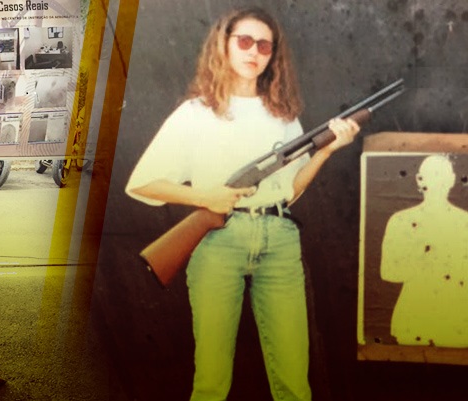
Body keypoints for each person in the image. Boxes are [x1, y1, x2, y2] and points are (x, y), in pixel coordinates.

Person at [125, 8, 360, 401]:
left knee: (294, 381)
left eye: (265, 46)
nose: (254, 52)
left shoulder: (282, 115)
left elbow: (290, 191)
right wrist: (206, 198)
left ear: (273, 56)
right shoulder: (197, 112)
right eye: (245, 41)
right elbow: (142, 184)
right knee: (212, 381)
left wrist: (326, 151)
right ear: (225, 44)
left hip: (280, 239)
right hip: (219, 242)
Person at [380, 155, 468, 348]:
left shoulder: (465, 223)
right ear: (420, 179)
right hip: (414, 319)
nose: (437, 181)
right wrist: (424, 258)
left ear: (452, 179)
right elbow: (388, 272)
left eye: (442, 175)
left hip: (458, 320)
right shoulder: (400, 221)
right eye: (432, 175)